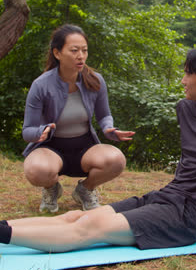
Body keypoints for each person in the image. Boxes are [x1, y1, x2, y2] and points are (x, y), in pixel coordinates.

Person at [1, 46, 196, 252]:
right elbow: (195, 163)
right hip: (168, 197)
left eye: (188, 73)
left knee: (91, 227)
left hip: (188, 217)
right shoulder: (186, 108)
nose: (182, 80)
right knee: (75, 217)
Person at [21, 24, 135, 213]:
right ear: (57, 53)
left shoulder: (95, 80)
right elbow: (27, 131)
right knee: (36, 170)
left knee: (117, 160)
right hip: (51, 149)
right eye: (74, 51)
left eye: (84, 50)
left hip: (84, 148)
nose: (80, 56)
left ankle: (85, 190)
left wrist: (109, 129)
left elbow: (104, 115)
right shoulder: (41, 85)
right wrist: (40, 132)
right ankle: (51, 188)